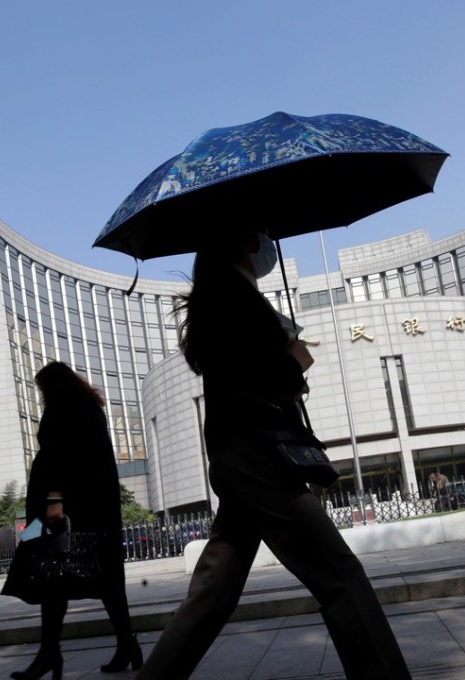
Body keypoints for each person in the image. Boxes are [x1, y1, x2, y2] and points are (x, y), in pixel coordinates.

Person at [134, 229, 412, 680]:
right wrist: (295, 361)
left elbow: (238, 374)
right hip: (258, 455)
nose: (267, 241)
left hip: (240, 454)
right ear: (240, 240)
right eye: (261, 231)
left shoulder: (220, 293)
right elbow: (254, 376)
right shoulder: (230, 294)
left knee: (212, 595)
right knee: (340, 575)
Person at [10, 362, 142, 679]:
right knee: (106, 579)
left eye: (41, 389)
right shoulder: (89, 407)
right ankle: (126, 645)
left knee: (50, 577)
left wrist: (54, 499)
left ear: (51, 386)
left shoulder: (64, 407)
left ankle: (49, 655)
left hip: (62, 513)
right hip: (94, 511)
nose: (40, 396)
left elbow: (59, 456)